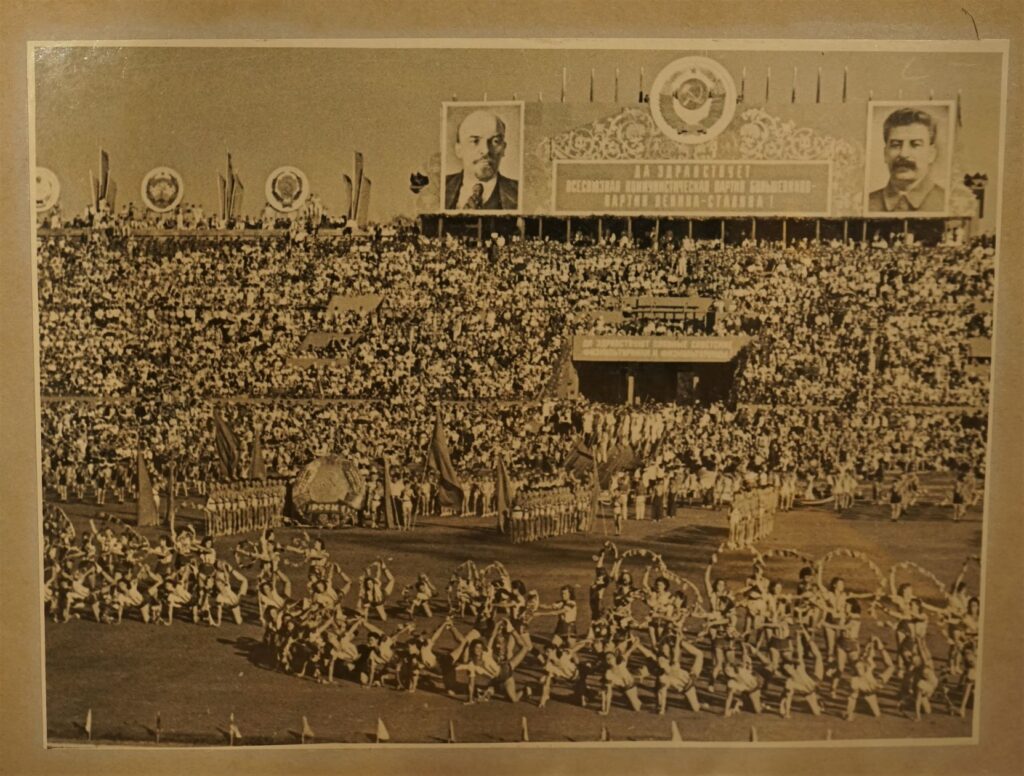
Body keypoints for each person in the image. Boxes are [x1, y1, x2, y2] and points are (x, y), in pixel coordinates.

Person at [867, 107, 946, 213]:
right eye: (895, 145)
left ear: (931, 154)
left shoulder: (948, 203)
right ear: (885, 153)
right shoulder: (866, 204)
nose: (904, 154)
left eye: (915, 145)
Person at [444, 110, 519, 211]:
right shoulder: (440, 187)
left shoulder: (519, 193)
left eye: (495, 141)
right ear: (459, 150)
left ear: (503, 148)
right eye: (475, 141)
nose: (486, 150)